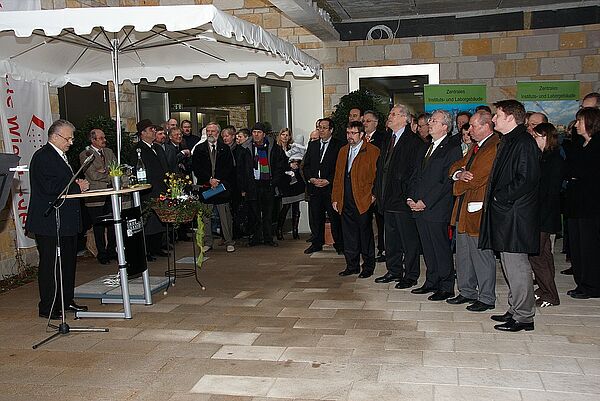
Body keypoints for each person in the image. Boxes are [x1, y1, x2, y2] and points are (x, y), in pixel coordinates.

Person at [480, 100, 540, 332]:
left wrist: (499, 197)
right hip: (507, 213)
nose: (493, 119)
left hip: (516, 214)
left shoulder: (523, 142)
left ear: (510, 117)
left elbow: (527, 179)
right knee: (509, 263)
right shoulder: (509, 139)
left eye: (497, 115)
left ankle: (524, 317)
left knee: (517, 266)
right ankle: (515, 308)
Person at [26, 119, 89, 319]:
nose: (71, 142)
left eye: (72, 138)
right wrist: (77, 186)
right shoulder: (43, 156)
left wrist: (76, 185)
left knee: (68, 263)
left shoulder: (60, 155)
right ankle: (49, 306)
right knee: (51, 265)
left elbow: (62, 182)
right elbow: (49, 187)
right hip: (50, 222)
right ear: (54, 136)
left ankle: (66, 300)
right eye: (67, 138)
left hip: (65, 221)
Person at [407, 110, 463, 301]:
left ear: (445, 126)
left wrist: (425, 201)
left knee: (440, 247)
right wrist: (411, 198)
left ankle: (446, 286)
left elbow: (446, 182)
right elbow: (415, 175)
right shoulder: (425, 147)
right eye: (430, 120)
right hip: (419, 206)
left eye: (434, 121)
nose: (429, 123)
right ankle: (431, 281)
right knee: (427, 247)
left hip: (436, 207)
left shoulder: (452, 148)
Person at [447, 110, 499, 312]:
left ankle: (486, 297)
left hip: (478, 210)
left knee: (481, 255)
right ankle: (467, 291)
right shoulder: (476, 146)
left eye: (474, 126)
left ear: (486, 126)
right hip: (463, 209)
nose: (469, 130)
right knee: (463, 254)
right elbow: (455, 166)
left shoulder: (493, 147)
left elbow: (476, 179)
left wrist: (458, 182)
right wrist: (459, 174)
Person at [374, 104, 426, 288]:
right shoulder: (388, 138)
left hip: (403, 199)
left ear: (405, 119)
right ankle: (394, 270)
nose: (389, 116)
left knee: (408, 240)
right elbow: (382, 168)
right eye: (390, 114)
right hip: (387, 198)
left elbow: (415, 173)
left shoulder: (414, 142)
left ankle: (411, 275)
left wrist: (409, 196)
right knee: (391, 238)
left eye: (394, 114)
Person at [332, 121, 380, 278]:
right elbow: (338, 176)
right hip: (345, 199)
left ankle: (368, 266)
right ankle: (352, 265)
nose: (350, 136)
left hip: (363, 199)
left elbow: (377, 176)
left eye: (353, 133)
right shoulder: (342, 151)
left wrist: (373, 195)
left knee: (365, 235)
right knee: (348, 235)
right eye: (348, 133)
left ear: (362, 134)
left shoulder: (372, 151)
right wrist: (335, 198)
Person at [565, 107, 600, 299]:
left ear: (590, 122)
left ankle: (592, 285)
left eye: (580, 121)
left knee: (590, 247)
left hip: (592, 206)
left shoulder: (597, 145)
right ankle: (581, 282)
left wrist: (577, 175)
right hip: (575, 203)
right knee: (577, 246)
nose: (576, 125)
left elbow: (586, 173)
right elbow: (570, 169)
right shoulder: (578, 144)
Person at [528, 122, 564, 307]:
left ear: (545, 137)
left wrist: (539, 215)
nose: (534, 139)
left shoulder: (554, 159)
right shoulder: (543, 157)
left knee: (536, 255)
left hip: (544, 216)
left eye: (536, 136)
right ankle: (544, 289)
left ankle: (550, 294)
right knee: (544, 255)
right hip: (541, 214)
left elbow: (551, 192)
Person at [192, 122, 236, 253]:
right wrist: (209, 180)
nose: (210, 133)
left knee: (225, 217)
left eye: (213, 131)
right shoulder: (199, 149)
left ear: (218, 133)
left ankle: (229, 241)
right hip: (206, 187)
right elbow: (196, 167)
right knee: (206, 217)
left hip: (221, 187)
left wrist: (218, 180)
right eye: (208, 131)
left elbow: (229, 167)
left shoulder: (225, 148)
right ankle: (208, 242)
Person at [303, 117, 344, 254]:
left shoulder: (339, 145)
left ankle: (340, 245)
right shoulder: (313, 145)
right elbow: (306, 165)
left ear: (331, 130)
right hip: (315, 188)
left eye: (324, 128)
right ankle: (316, 243)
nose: (321, 130)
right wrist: (311, 179)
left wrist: (329, 180)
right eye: (319, 128)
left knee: (335, 218)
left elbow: (340, 167)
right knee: (316, 218)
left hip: (330, 188)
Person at [79, 128, 117, 265]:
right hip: (95, 196)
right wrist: (108, 173)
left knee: (113, 223)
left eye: (104, 137)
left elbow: (116, 169)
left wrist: (104, 171)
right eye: (101, 138)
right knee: (98, 225)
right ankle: (102, 253)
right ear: (92, 140)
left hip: (111, 193)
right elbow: (92, 175)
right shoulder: (85, 154)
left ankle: (112, 250)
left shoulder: (109, 152)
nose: (104, 140)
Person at [247, 122, 286, 247]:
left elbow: (280, 166)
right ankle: (256, 237)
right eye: (254, 132)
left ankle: (268, 238)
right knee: (254, 213)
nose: (256, 135)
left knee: (268, 213)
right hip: (253, 184)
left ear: (264, 134)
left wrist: (274, 182)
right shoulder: (246, 148)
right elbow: (242, 169)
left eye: (259, 132)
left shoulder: (273, 147)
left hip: (268, 184)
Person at [135, 119, 168, 261]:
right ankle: (147, 250)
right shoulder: (139, 149)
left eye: (154, 129)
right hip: (148, 190)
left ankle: (157, 246)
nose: (154, 131)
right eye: (151, 129)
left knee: (159, 220)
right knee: (149, 222)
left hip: (161, 188)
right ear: (142, 133)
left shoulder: (158, 148)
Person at [363, 110, 386, 262]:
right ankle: (367, 249)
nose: (365, 123)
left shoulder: (383, 138)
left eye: (368, 121)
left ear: (376, 123)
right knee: (364, 221)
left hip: (376, 186)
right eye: (364, 121)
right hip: (362, 187)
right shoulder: (359, 138)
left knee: (380, 220)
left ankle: (382, 249)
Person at [276, 128, 306, 240]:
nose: (285, 137)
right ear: (280, 136)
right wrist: (289, 165)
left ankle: (295, 231)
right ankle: (279, 230)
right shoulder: (276, 148)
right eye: (283, 134)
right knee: (286, 206)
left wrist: (296, 164)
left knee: (296, 206)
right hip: (284, 181)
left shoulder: (293, 147)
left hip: (296, 180)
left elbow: (300, 158)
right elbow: (277, 164)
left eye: (287, 135)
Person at [224, 126, 253, 239]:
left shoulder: (240, 150)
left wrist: (243, 188)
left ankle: (238, 232)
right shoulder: (223, 149)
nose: (225, 138)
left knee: (238, 209)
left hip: (237, 185)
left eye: (227, 136)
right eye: (223, 136)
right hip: (228, 185)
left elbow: (242, 170)